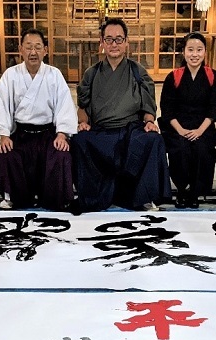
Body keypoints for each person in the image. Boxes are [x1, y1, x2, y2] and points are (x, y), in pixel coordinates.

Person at [72, 17, 171, 213]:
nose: (114, 44)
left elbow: (147, 104)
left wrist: (150, 121)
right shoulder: (91, 73)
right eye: (109, 39)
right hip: (101, 131)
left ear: (126, 42)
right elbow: (82, 106)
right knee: (79, 141)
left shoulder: (137, 71)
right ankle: (94, 196)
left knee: (154, 140)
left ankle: (142, 197)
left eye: (119, 39)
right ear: (102, 43)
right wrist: (83, 122)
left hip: (130, 130)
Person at [0, 28, 77, 211]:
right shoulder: (10, 75)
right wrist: (4, 135)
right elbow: (1, 105)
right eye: (28, 47)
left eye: (37, 47)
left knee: (61, 154)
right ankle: (12, 197)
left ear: (45, 50)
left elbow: (64, 106)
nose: (33, 52)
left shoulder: (54, 75)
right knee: (7, 153)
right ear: (20, 49)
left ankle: (56, 197)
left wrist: (61, 134)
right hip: (21, 133)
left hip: (47, 134)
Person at [158, 32, 216, 209]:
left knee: (202, 148)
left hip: (203, 126)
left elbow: (215, 108)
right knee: (180, 148)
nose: (195, 54)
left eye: (199, 50)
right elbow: (167, 109)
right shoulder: (174, 76)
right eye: (191, 50)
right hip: (178, 126)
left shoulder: (212, 76)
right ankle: (182, 189)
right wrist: (181, 130)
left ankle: (195, 192)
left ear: (205, 52)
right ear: (183, 52)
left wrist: (200, 131)